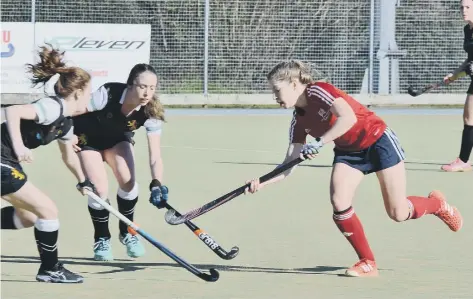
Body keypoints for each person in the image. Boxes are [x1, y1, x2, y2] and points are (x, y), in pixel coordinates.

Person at [244, 60, 463, 277]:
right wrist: (261, 182)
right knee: (339, 202)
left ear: (293, 83)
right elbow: (288, 163)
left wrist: (320, 142)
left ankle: (438, 205)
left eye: (277, 90)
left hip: (378, 141)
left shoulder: (319, 91)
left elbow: (347, 118)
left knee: (398, 213)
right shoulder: (298, 121)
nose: (275, 97)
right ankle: (367, 262)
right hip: (349, 153)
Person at [1, 44, 94, 283]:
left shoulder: (65, 123)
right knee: (48, 210)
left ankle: (50, 269)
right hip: (2, 160)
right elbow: (12, 111)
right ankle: (50, 269)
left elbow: (68, 156)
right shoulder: (52, 108)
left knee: (29, 217)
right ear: (78, 92)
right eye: (89, 92)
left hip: (8, 162)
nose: (90, 97)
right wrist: (20, 147)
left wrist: (84, 181)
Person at [71, 63, 169, 261]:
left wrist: (157, 183)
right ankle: (102, 237)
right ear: (131, 85)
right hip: (86, 139)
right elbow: (72, 111)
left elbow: (155, 155)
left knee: (128, 181)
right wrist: (67, 134)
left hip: (117, 139)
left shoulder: (151, 112)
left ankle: (127, 232)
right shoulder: (108, 93)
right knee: (99, 190)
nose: (147, 92)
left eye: (152, 88)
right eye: (142, 86)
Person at [441, 0, 473, 172]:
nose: (463, 10)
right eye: (462, 7)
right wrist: (454, 75)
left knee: (470, 118)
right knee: (469, 118)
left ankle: (463, 161)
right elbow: (470, 60)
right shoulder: (468, 30)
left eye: (468, 7)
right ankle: (463, 160)